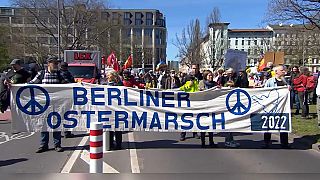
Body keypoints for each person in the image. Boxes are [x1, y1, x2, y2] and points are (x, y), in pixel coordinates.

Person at [29, 56, 69, 153]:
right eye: (55, 63)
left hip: (56, 104)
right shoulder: (41, 74)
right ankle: (43, 145)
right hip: (44, 104)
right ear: (49, 64)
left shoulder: (59, 74)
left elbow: (67, 85)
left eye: (57, 63)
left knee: (56, 124)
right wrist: (13, 86)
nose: (56, 65)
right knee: (44, 123)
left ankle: (57, 144)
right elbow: (31, 84)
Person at [262, 65, 290, 149]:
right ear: (276, 71)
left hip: (283, 106)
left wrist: (288, 88)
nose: (284, 71)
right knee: (269, 124)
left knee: (283, 124)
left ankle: (284, 143)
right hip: (272, 106)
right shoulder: (270, 81)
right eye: (282, 70)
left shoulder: (285, 81)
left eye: (284, 70)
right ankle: (266, 142)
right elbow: (265, 92)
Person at [179, 64, 201, 141]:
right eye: (193, 68)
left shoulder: (200, 77)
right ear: (191, 69)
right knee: (185, 117)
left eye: (196, 68)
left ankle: (195, 133)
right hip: (187, 100)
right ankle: (183, 134)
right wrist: (188, 86)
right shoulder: (186, 77)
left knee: (195, 117)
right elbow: (180, 88)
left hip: (197, 100)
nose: (194, 70)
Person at [219, 68, 240, 148]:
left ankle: (230, 139)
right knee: (228, 122)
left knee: (232, 122)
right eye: (229, 73)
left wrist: (234, 85)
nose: (230, 74)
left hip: (233, 101)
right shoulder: (223, 78)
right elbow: (219, 87)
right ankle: (228, 140)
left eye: (231, 73)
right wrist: (226, 86)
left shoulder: (236, 78)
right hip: (225, 102)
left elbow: (242, 85)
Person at [198, 70, 218, 148]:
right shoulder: (201, 83)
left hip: (212, 106)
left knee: (211, 124)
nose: (211, 77)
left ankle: (211, 141)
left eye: (211, 75)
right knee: (203, 124)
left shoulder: (215, 84)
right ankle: (203, 142)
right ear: (205, 76)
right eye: (209, 75)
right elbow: (200, 91)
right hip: (203, 106)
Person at [105, 71, 123, 150]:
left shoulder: (120, 85)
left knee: (117, 127)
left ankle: (118, 144)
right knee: (109, 127)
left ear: (113, 76)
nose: (107, 77)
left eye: (109, 75)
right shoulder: (105, 85)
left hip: (117, 108)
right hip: (108, 109)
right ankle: (110, 143)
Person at [60, 62, 75, 138]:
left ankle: (64, 132)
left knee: (62, 115)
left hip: (61, 97)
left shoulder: (59, 73)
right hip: (66, 96)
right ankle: (67, 132)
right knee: (66, 115)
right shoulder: (66, 74)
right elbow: (72, 83)